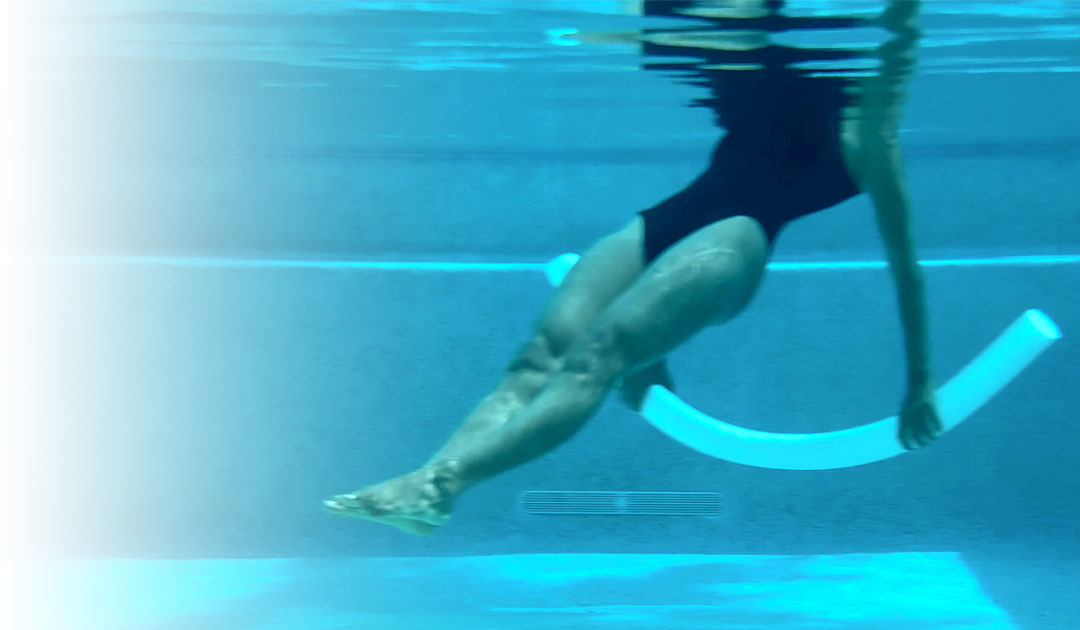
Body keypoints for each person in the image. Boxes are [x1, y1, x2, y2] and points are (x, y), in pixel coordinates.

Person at [325, 0, 941, 536]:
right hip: (684, 214)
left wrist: (918, 383)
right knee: (539, 354)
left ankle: (439, 485)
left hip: (738, 240)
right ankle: (431, 492)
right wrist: (658, 348)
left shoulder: (873, 138)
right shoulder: (701, 27)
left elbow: (905, 270)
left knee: (598, 354)